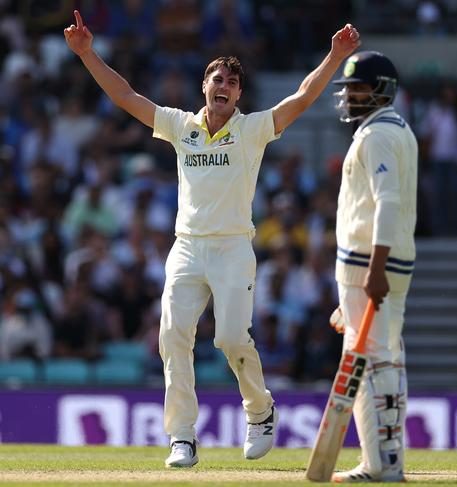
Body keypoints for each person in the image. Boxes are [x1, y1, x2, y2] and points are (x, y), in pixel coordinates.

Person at [64, 10, 360, 468]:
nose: (224, 85)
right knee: (171, 334)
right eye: (217, 78)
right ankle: (182, 436)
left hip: (232, 249)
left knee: (229, 339)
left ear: (239, 94)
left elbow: (301, 99)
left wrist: (335, 56)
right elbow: (126, 96)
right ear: (205, 85)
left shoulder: (252, 129)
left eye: (232, 82)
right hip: (186, 247)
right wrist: (87, 54)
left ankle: (260, 410)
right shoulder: (182, 126)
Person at [328, 51, 417, 482]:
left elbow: (388, 203)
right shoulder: (394, 129)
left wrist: (374, 269)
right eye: (348, 89)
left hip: (371, 262)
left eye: (359, 88)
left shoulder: (377, 135)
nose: (350, 96)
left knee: (374, 359)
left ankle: (385, 464)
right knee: (382, 356)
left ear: (382, 89)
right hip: (377, 262)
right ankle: (382, 460)